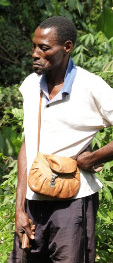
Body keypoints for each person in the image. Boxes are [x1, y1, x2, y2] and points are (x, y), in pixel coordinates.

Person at [9, 16, 113, 262]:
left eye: (44, 48)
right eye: (34, 46)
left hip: (72, 202)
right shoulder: (30, 86)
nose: (35, 53)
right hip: (33, 202)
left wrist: (94, 159)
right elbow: (28, 145)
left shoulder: (91, 86)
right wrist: (20, 207)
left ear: (67, 47)